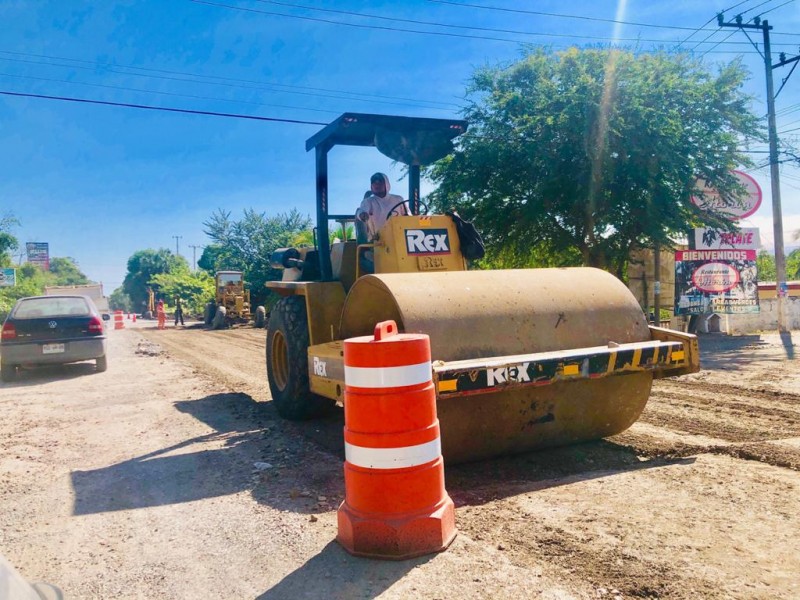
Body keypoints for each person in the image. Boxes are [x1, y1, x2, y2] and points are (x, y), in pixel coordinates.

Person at [356, 172, 407, 243]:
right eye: (374, 182)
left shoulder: (398, 199)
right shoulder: (368, 202)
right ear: (371, 186)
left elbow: (408, 217)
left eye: (380, 181)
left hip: (399, 238)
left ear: (387, 184)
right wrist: (361, 214)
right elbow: (361, 211)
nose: (377, 184)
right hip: (378, 241)